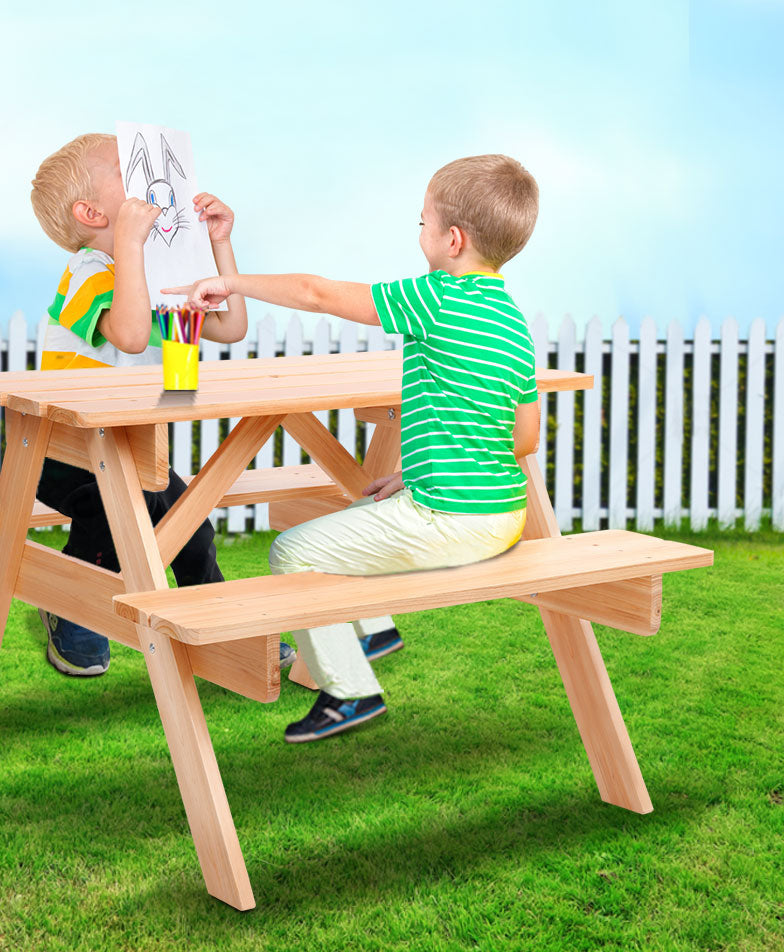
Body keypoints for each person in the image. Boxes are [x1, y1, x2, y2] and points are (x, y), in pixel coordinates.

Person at [167, 153, 541, 742]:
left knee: (292, 552)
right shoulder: (511, 317)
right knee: (361, 511)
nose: (417, 231)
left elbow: (317, 294)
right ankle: (376, 628)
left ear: (452, 239)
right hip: (504, 517)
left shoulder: (438, 297)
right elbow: (523, 436)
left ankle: (351, 692)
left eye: (421, 222)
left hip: (451, 521)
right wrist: (425, 475)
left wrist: (231, 282)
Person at [29, 132, 276, 676]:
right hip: (64, 454)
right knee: (113, 516)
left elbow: (231, 326)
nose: (147, 182)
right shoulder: (87, 275)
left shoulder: (161, 280)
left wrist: (218, 244)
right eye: (126, 173)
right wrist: (136, 249)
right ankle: (74, 609)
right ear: (92, 212)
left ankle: (217, 628)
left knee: (193, 528)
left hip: (136, 453)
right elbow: (133, 336)